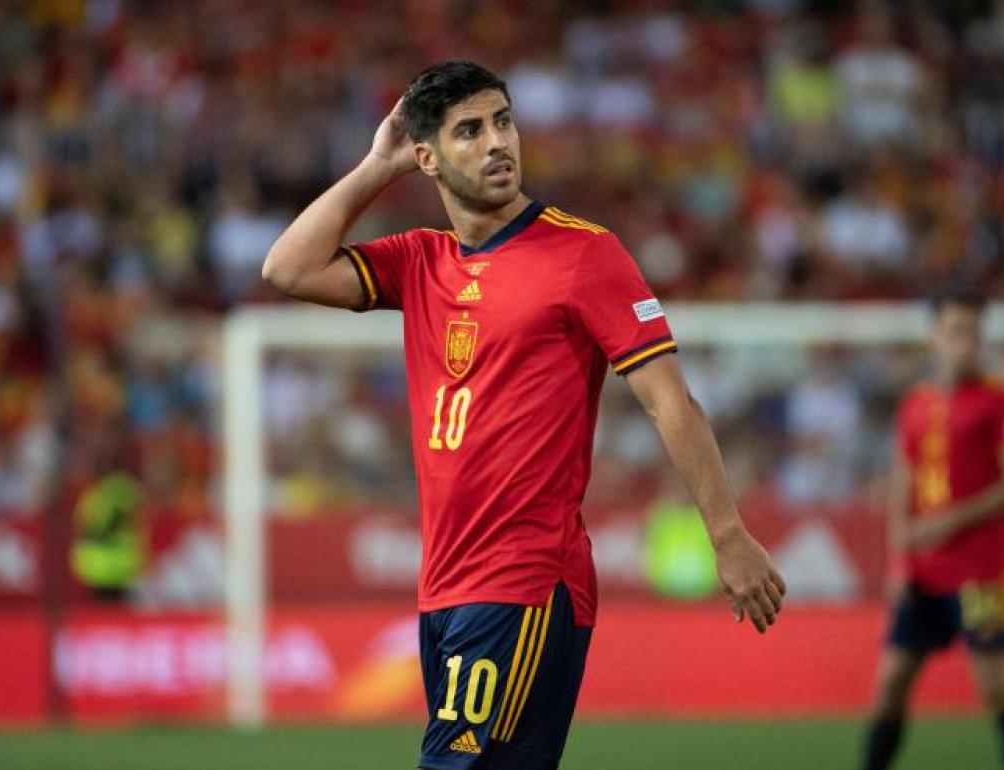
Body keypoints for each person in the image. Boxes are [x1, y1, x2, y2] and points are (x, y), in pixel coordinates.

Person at [262, 61, 785, 770]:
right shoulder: (421, 260)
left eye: (503, 122)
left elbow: (671, 400)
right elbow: (285, 270)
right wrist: (376, 166)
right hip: (445, 584)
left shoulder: (583, 253)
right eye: (469, 131)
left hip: (526, 581)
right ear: (428, 158)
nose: (497, 143)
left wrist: (728, 535)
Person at [862, 288, 1004, 770]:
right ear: (935, 337)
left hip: (982, 572)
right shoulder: (916, 403)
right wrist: (899, 559)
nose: (965, 343)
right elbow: (904, 479)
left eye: (973, 333)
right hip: (922, 571)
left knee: (998, 687)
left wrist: (946, 522)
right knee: (891, 683)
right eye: (955, 331)